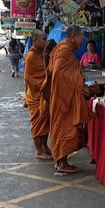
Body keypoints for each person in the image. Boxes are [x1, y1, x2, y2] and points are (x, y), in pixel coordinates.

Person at [45, 25, 92, 173]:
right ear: (72, 36)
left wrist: (77, 75)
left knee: (65, 129)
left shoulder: (64, 50)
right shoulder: (64, 50)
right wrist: (78, 79)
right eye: (80, 37)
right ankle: (62, 163)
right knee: (64, 129)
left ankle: (61, 161)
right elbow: (59, 74)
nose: (81, 41)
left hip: (63, 96)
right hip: (63, 98)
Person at [24, 30, 51, 160]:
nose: (46, 41)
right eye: (44, 39)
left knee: (45, 122)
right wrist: (42, 85)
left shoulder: (43, 54)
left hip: (44, 95)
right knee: (37, 123)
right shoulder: (31, 56)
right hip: (35, 96)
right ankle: (39, 151)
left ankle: (45, 147)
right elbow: (28, 77)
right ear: (35, 41)